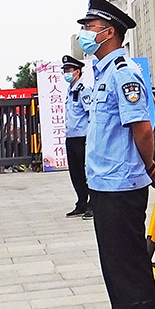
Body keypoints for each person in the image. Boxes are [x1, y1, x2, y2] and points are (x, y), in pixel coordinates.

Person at [77, 0, 155, 309]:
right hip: (103, 185)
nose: (84, 33)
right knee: (115, 270)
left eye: (89, 27)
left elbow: (142, 127)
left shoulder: (124, 73)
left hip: (122, 187)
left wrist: (150, 166)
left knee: (130, 269)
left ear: (108, 32)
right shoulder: (101, 76)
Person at [62, 55, 94, 218]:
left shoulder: (84, 90)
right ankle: (81, 202)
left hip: (83, 137)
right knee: (75, 172)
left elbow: (91, 113)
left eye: (69, 70)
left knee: (87, 171)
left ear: (78, 71)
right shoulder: (70, 91)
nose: (66, 73)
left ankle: (92, 205)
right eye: (64, 70)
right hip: (71, 136)